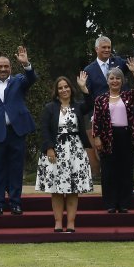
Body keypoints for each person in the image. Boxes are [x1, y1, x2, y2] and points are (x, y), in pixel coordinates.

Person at [0, 45, 37, 215]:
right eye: (0, 67)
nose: (3, 69)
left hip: (16, 132)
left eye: (6, 67)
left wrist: (26, 64)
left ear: (11, 68)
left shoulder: (18, 80)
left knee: (16, 168)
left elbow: (32, 79)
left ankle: (16, 202)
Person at [82, 29, 134, 175]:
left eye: (109, 47)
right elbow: (88, 95)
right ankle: (110, 190)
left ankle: (129, 188)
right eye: (103, 47)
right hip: (102, 119)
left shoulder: (118, 62)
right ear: (96, 49)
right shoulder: (88, 70)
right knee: (106, 157)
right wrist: (95, 117)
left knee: (126, 156)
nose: (107, 50)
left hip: (123, 116)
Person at [36, 72, 94, 233]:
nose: (63, 90)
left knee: (73, 189)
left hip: (75, 151)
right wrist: (49, 148)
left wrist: (84, 87)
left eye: (66, 87)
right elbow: (45, 129)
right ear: (56, 90)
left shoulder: (78, 106)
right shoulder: (50, 108)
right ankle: (58, 223)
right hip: (55, 151)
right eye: (60, 88)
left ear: (71, 88)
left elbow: (90, 105)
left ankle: (71, 223)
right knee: (56, 190)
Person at [90, 60, 134, 213]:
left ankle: (124, 203)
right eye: (112, 78)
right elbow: (96, 121)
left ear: (122, 81)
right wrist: (96, 137)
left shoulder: (128, 95)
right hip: (107, 137)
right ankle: (110, 204)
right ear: (107, 81)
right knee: (108, 171)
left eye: (118, 78)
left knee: (125, 170)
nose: (115, 81)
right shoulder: (100, 99)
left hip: (126, 136)